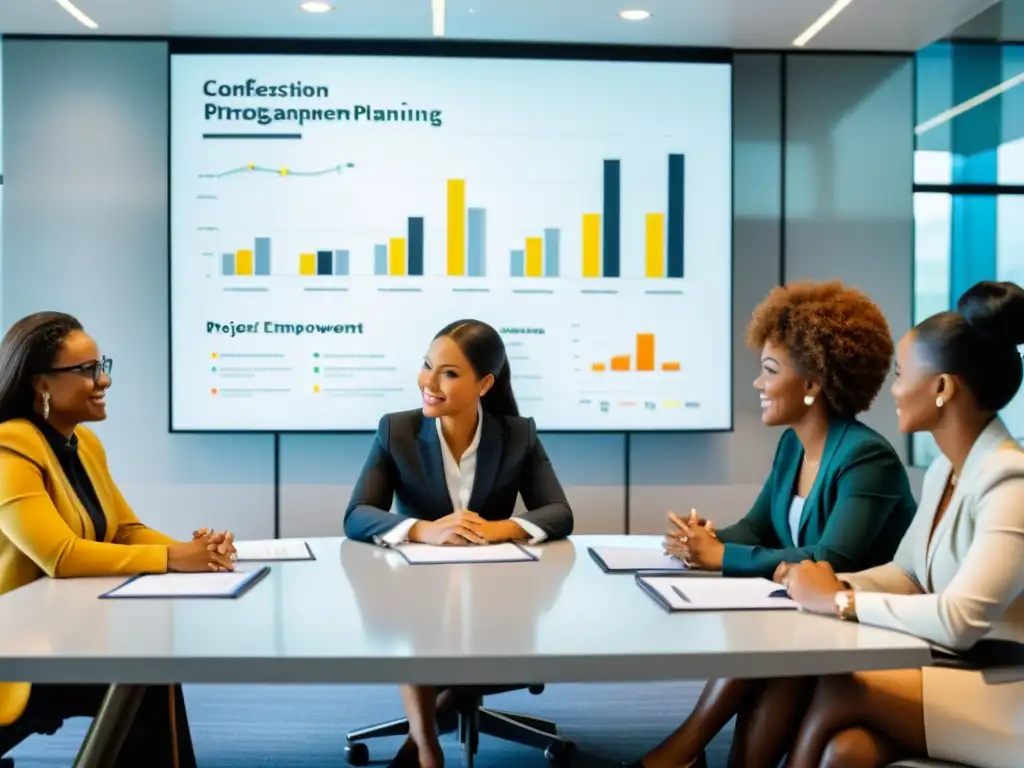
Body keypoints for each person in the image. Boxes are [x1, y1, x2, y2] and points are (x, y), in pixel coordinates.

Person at [632, 281, 917, 768]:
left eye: (769, 371)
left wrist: (722, 557)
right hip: (816, 622)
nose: (758, 384)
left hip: (869, 623)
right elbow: (758, 527)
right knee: (774, 647)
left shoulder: (867, 456)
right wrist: (706, 540)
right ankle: (686, 751)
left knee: (776, 651)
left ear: (811, 384)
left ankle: (682, 749)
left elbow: (832, 559)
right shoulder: (792, 446)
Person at [772, 280, 1024, 768]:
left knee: (836, 685)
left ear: (943, 388)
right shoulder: (944, 471)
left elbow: (959, 621)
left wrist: (839, 601)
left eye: (902, 373)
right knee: (846, 752)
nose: (894, 389)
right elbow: (908, 574)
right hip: (962, 675)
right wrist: (822, 581)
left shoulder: (1010, 481)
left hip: (1007, 695)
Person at [0, 312, 236, 766]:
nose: (103, 379)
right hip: (17, 648)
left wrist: (201, 555)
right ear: (40, 385)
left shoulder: (84, 444)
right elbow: (61, 556)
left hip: (58, 632)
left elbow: (124, 530)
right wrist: (173, 558)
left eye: (101, 364)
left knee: (149, 665)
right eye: (85, 370)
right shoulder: (10, 449)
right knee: (141, 671)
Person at [344, 319, 573, 768]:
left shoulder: (517, 434)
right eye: (427, 366)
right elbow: (357, 514)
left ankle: (417, 741)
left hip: (496, 596)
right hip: (419, 593)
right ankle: (427, 746)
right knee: (416, 628)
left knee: (463, 632)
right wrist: (424, 529)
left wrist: (494, 529)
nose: (428, 382)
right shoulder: (397, 431)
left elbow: (559, 512)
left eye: (448, 373)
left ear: (484, 383)